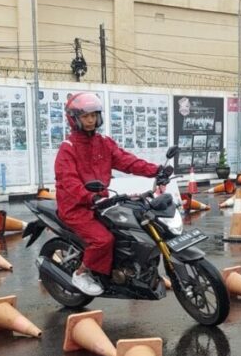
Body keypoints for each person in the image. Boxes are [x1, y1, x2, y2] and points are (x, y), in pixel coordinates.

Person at [55, 92, 171, 296]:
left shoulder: (104, 142)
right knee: (103, 240)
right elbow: (68, 181)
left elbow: (127, 161)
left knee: (130, 230)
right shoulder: (68, 148)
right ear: (74, 119)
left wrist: (156, 170)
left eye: (94, 115)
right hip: (76, 207)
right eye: (85, 116)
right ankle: (82, 273)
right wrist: (89, 197)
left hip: (101, 202)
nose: (91, 120)